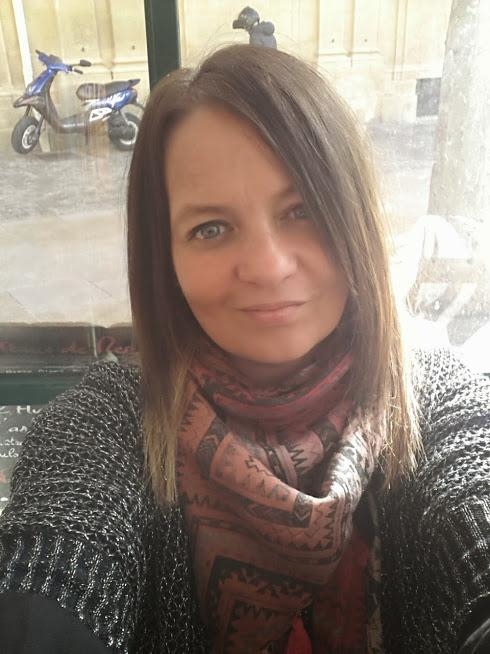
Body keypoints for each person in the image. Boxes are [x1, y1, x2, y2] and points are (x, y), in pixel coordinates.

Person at [0, 44, 488, 654]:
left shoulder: (436, 402)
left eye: (302, 210)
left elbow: (473, 502)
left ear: (355, 218)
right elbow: (57, 552)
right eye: (211, 228)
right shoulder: (111, 424)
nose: (267, 266)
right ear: (165, 258)